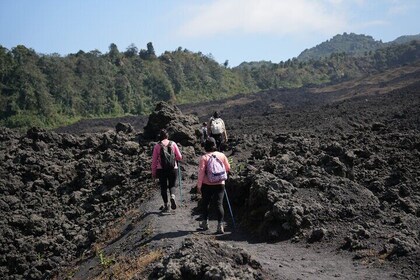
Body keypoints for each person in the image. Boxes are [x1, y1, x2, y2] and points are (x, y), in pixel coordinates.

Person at [196, 137, 231, 233]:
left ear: (205, 147)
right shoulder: (222, 155)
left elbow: (201, 173)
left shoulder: (204, 158)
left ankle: (205, 223)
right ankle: (220, 226)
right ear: (215, 145)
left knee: (205, 203)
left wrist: (199, 186)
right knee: (219, 204)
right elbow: (228, 168)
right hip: (220, 183)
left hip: (207, 184)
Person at [151, 129, 183, 212]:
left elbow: (154, 161)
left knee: (163, 187)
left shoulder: (157, 146)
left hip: (161, 169)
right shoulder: (173, 144)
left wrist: (154, 172)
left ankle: (166, 205)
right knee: (172, 185)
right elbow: (179, 156)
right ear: (167, 136)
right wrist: (175, 159)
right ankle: (172, 196)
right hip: (173, 168)